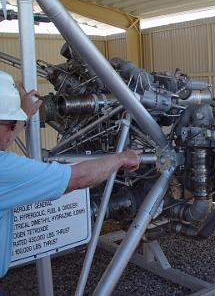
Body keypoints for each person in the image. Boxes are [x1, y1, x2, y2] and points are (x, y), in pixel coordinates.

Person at [0, 71, 142, 278]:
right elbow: (78, 178)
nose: (13, 129)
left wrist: (22, 116)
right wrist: (121, 158)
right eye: (11, 123)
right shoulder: (5, 169)